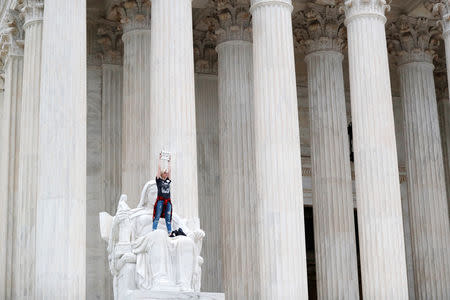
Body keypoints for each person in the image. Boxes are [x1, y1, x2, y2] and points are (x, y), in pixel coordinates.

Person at [153, 152, 172, 234]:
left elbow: (170, 170)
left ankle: (169, 232)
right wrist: (159, 159)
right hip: (161, 200)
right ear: (162, 174)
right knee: (157, 216)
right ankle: (154, 230)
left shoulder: (168, 180)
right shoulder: (159, 180)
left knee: (168, 218)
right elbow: (159, 168)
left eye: (166, 173)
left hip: (168, 201)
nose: (166, 173)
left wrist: (169, 161)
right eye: (164, 172)